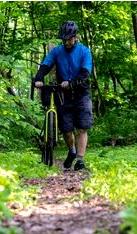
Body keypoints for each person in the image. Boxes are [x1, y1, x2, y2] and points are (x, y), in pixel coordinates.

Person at [34, 21, 93, 171]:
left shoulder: (84, 51)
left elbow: (85, 72)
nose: (67, 42)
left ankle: (80, 160)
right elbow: (46, 65)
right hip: (63, 95)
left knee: (82, 127)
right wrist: (38, 78)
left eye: (69, 39)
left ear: (75, 37)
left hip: (81, 93)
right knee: (66, 129)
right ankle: (72, 151)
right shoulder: (57, 51)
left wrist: (72, 83)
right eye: (64, 39)